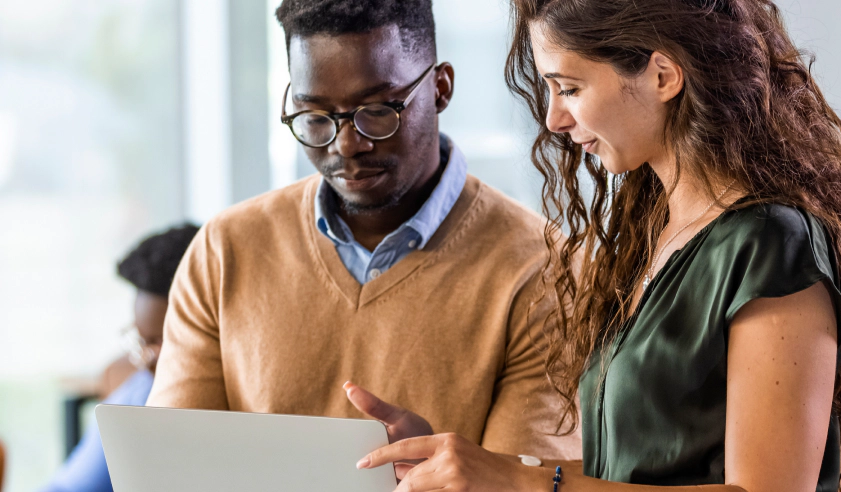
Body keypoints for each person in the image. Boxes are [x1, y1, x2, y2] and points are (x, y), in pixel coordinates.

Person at [353, 1, 841, 491]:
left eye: (570, 88)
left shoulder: (769, 244)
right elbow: (632, 475)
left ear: (662, 75)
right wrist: (459, 464)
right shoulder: (652, 238)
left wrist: (524, 482)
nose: (554, 118)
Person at [146, 0, 579, 460]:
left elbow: (523, 483)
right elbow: (174, 467)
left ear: (440, 88)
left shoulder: (546, 268)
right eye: (315, 116)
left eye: (376, 110)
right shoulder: (225, 250)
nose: (347, 144)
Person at [40, 224, 199, 492]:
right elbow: (68, 487)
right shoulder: (138, 396)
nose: (148, 359)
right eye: (144, 341)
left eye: (166, 341)